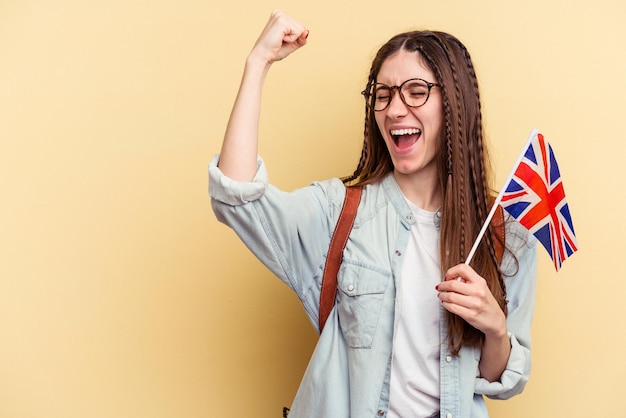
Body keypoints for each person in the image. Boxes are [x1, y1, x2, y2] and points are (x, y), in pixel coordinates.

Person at [209, 10, 537, 418]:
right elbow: (236, 197)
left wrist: (494, 328)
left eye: (416, 91)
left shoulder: (505, 235)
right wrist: (257, 63)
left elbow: (500, 380)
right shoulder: (339, 212)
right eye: (383, 94)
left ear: (454, 102)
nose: (395, 109)